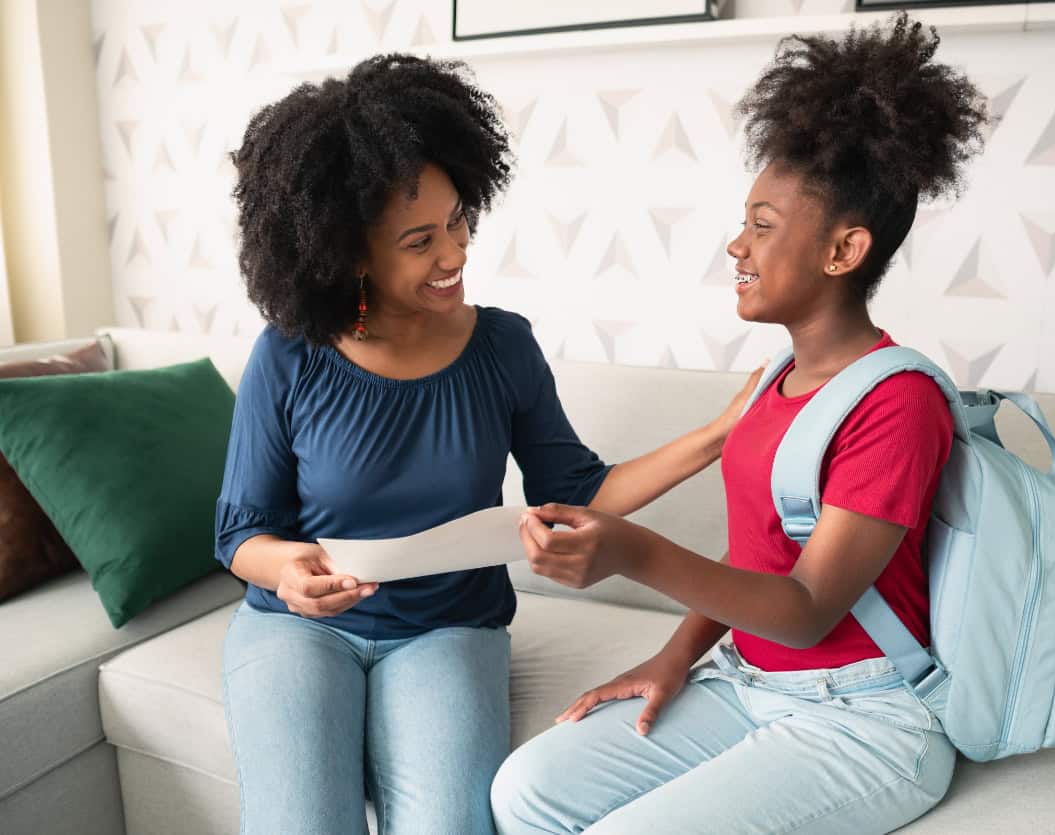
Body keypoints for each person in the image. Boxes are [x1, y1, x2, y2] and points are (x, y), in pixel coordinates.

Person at [216, 53, 758, 835]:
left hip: (447, 627)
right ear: (349, 251)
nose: (456, 253)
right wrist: (286, 574)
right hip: (297, 626)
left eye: (460, 220)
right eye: (419, 240)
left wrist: (715, 436)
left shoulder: (503, 346)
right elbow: (240, 530)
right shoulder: (291, 353)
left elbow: (581, 488)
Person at [492, 14, 988, 835]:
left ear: (843, 250)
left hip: (865, 719)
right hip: (747, 682)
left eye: (762, 226)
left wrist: (632, 549)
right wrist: (675, 655)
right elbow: (759, 555)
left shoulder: (899, 404)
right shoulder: (776, 385)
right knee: (526, 791)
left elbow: (805, 606)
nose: (736, 245)